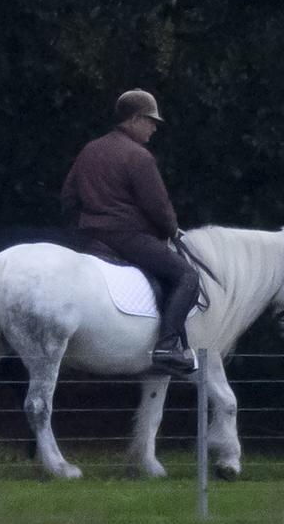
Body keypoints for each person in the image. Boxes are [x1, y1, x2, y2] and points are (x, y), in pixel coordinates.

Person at [60, 89, 199, 376]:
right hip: (128, 238)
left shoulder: (90, 149)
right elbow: (158, 206)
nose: (154, 128)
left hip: (90, 238)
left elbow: (68, 197)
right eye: (151, 121)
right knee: (187, 275)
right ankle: (167, 344)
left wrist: (86, 224)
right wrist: (171, 231)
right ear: (135, 119)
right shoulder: (139, 157)